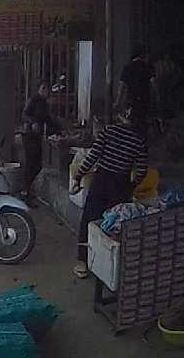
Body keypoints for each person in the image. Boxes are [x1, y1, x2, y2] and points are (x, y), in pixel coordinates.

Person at [71, 105, 148, 278]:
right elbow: (142, 170)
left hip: (102, 180)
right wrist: (131, 186)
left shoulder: (109, 131)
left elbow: (92, 156)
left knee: (90, 219)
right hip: (121, 184)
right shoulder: (139, 140)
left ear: (121, 116)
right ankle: (108, 267)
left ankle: (83, 262)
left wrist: (78, 176)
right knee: (113, 224)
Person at [116, 45, 157, 139]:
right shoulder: (148, 67)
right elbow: (155, 86)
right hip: (145, 102)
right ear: (143, 55)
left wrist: (118, 103)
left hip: (131, 103)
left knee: (130, 127)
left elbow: (121, 88)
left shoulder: (127, 68)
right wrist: (157, 101)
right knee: (143, 127)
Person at [21, 81, 52, 192]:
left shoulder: (44, 103)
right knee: (31, 163)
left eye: (47, 89)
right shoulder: (33, 100)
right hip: (29, 135)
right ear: (39, 89)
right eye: (44, 88)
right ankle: (25, 189)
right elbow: (24, 114)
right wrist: (33, 122)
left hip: (37, 136)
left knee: (37, 164)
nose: (46, 91)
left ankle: (29, 187)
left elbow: (47, 119)